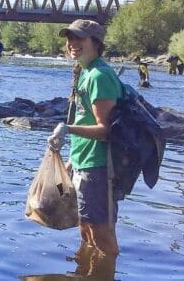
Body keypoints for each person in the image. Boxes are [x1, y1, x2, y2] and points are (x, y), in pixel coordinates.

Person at [47, 18, 122, 263]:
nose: (72, 43)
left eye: (79, 38)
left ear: (96, 43)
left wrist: (67, 129)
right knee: (86, 226)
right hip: (83, 162)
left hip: (99, 167)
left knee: (101, 233)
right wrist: (71, 160)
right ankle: (85, 272)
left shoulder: (100, 75)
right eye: (70, 38)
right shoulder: (84, 72)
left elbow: (105, 129)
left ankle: (106, 272)